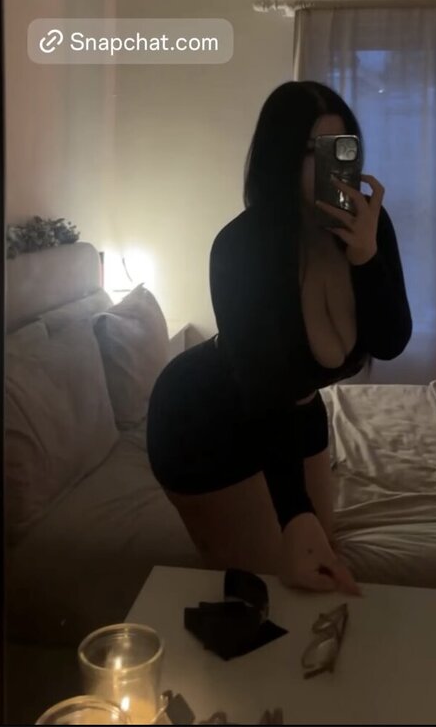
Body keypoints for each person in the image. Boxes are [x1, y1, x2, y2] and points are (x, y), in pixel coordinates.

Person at [147, 81, 412, 594]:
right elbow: (265, 387)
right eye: (310, 151)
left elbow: (391, 341)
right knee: (274, 581)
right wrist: (293, 513)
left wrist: (365, 257)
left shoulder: (369, 226)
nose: (329, 166)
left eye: (341, 147)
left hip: (297, 406)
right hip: (206, 419)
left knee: (323, 559)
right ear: (280, 157)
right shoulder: (241, 247)